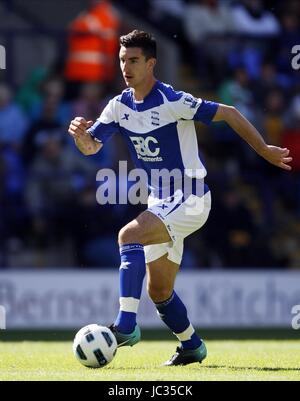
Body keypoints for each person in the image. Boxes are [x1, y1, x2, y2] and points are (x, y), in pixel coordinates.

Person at [68, 30, 292, 366]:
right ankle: (192, 346)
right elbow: (91, 147)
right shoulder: (118, 107)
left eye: (133, 60)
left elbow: (229, 112)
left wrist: (264, 150)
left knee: (128, 235)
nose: (125, 67)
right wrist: (80, 137)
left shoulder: (173, 101)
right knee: (159, 291)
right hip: (161, 202)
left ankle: (126, 327)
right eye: (122, 60)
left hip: (191, 196)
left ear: (151, 63)